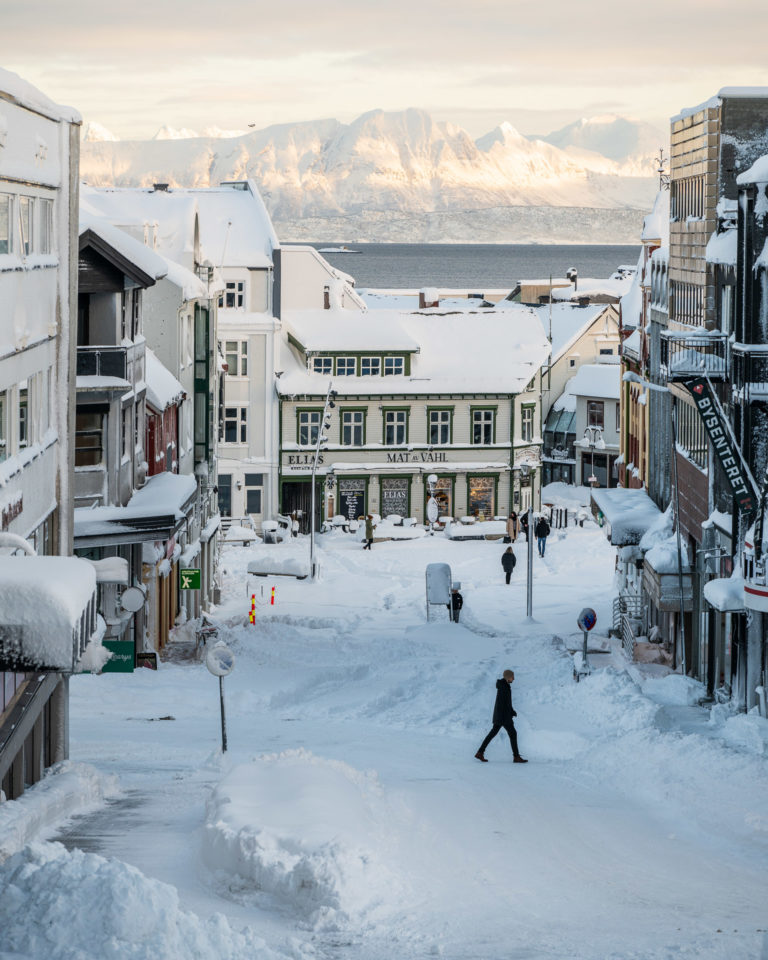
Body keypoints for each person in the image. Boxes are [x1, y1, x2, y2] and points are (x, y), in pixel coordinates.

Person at [475, 669, 527, 763]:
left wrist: (512, 711)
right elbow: (503, 704)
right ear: (507, 677)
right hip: (504, 716)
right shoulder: (504, 687)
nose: (514, 679)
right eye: (512, 677)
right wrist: (509, 713)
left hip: (501, 715)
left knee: (493, 733)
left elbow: (506, 702)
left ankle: (480, 752)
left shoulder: (504, 686)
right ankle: (516, 757)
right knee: (512, 734)